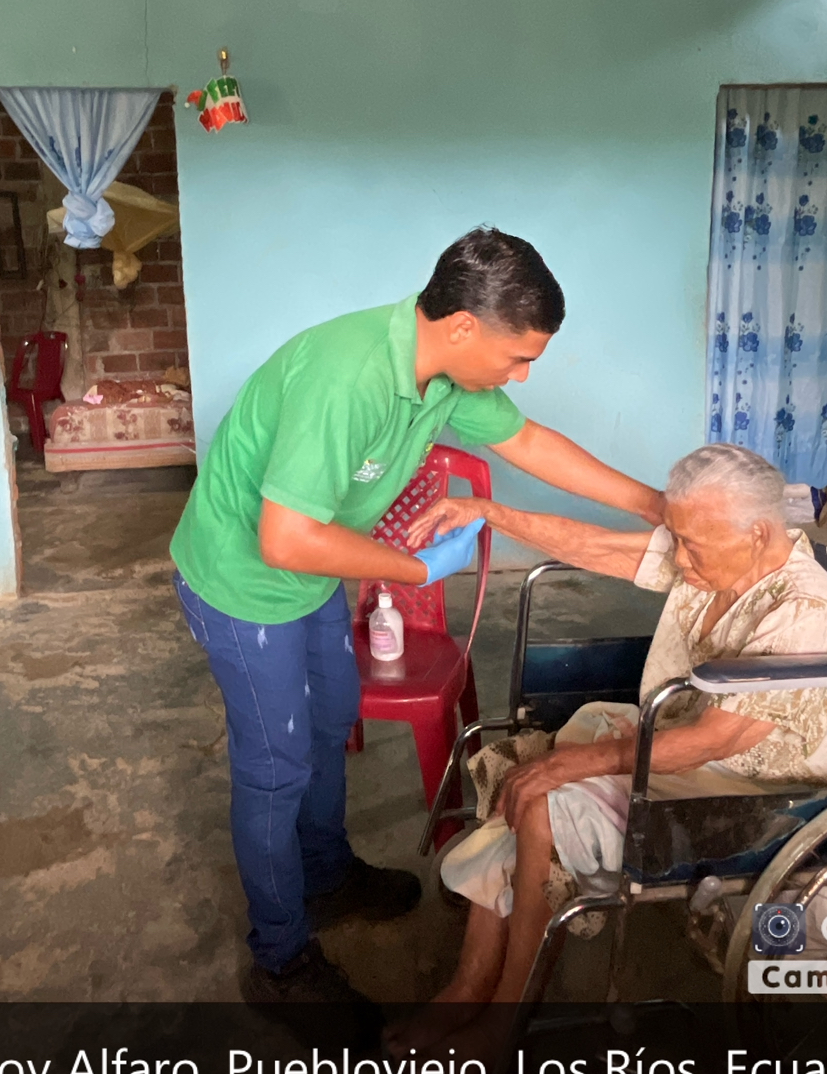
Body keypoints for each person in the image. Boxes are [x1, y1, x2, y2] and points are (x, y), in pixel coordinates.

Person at [170, 228, 663, 1015]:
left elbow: (529, 440)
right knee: (276, 766)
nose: (523, 375)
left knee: (331, 717)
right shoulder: (348, 376)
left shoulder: (441, 371)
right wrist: (416, 569)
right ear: (464, 326)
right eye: (518, 357)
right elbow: (285, 538)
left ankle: (325, 873)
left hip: (311, 578)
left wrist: (653, 502)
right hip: (244, 582)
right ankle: (280, 959)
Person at [399, 442, 827, 1034]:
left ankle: (503, 1023)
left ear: (759, 533)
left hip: (759, 784)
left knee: (543, 797)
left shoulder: (803, 611)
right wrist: (488, 512)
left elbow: (714, 742)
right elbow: (596, 545)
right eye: (676, 538)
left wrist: (572, 767)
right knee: (530, 770)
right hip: (685, 739)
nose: (680, 558)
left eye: (691, 544)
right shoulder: (718, 552)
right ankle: (469, 985)